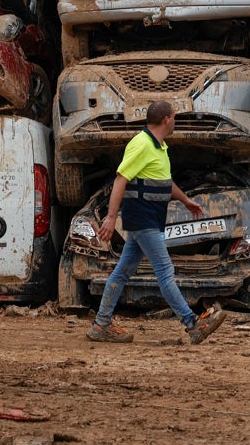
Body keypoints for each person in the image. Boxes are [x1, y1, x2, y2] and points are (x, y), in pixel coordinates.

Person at [86, 99, 228, 344]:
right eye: (174, 118)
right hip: (142, 218)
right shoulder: (141, 144)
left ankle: (101, 324)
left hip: (150, 218)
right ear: (166, 120)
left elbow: (164, 182)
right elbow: (121, 179)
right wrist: (110, 218)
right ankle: (193, 324)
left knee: (122, 272)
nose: (175, 122)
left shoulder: (160, 147)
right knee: (165, 271)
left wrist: (185, 200)